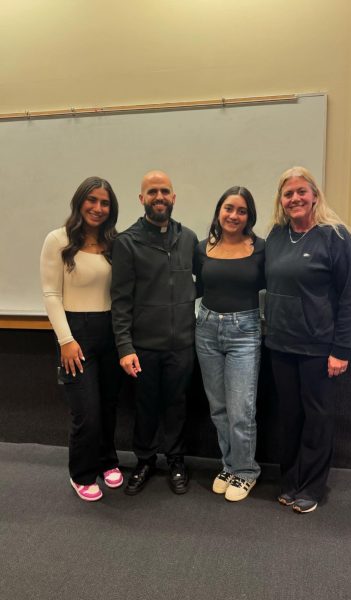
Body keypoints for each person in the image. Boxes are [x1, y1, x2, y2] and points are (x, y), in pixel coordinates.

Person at [265, 166, 351, 513]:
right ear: (281, 200)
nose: (295, 198)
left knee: (316, 418)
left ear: (314, 195)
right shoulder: (276, 236)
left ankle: (312, 487)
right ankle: (290, 481)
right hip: (280, 345)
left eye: (301, 192)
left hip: (319, 348)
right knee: (289, 417)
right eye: (288, 193)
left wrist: (341, 349)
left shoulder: (335, 236)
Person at [111, 170, 197, 496]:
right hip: (143, 346)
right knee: (144, 406)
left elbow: (203, 283)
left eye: (164, 191)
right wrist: (124, 346)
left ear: (173, 197)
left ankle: (176, 460)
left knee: (177, 405)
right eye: (152, 192)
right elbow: (119, 301)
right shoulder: (126, 242)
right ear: (141, 199)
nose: (158, 197)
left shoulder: (188, 238)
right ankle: (145, 460)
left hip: (182, 345)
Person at [40, 176, 123, 502]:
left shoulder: (115, 243)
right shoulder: (58, 239)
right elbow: (50, 293)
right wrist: (66, 340)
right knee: (86, 411)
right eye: (92, 201)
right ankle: (82, 473)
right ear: (80, 202)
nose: (98, 208)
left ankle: (108, 462)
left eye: (105, 203)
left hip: (111, 331)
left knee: (108, 407)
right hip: (76, 333)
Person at [195, 186, 265, 501]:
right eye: (228, 208)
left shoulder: (261, 249)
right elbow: (195, 287)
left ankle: (246, 471)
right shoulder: (201, 248)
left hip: (245, 331)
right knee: (219, 408)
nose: (233, 216)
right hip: (206, 329)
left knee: (241, 409)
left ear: (249, 216)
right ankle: (229, 464)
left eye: (241, 211)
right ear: (218, 211)